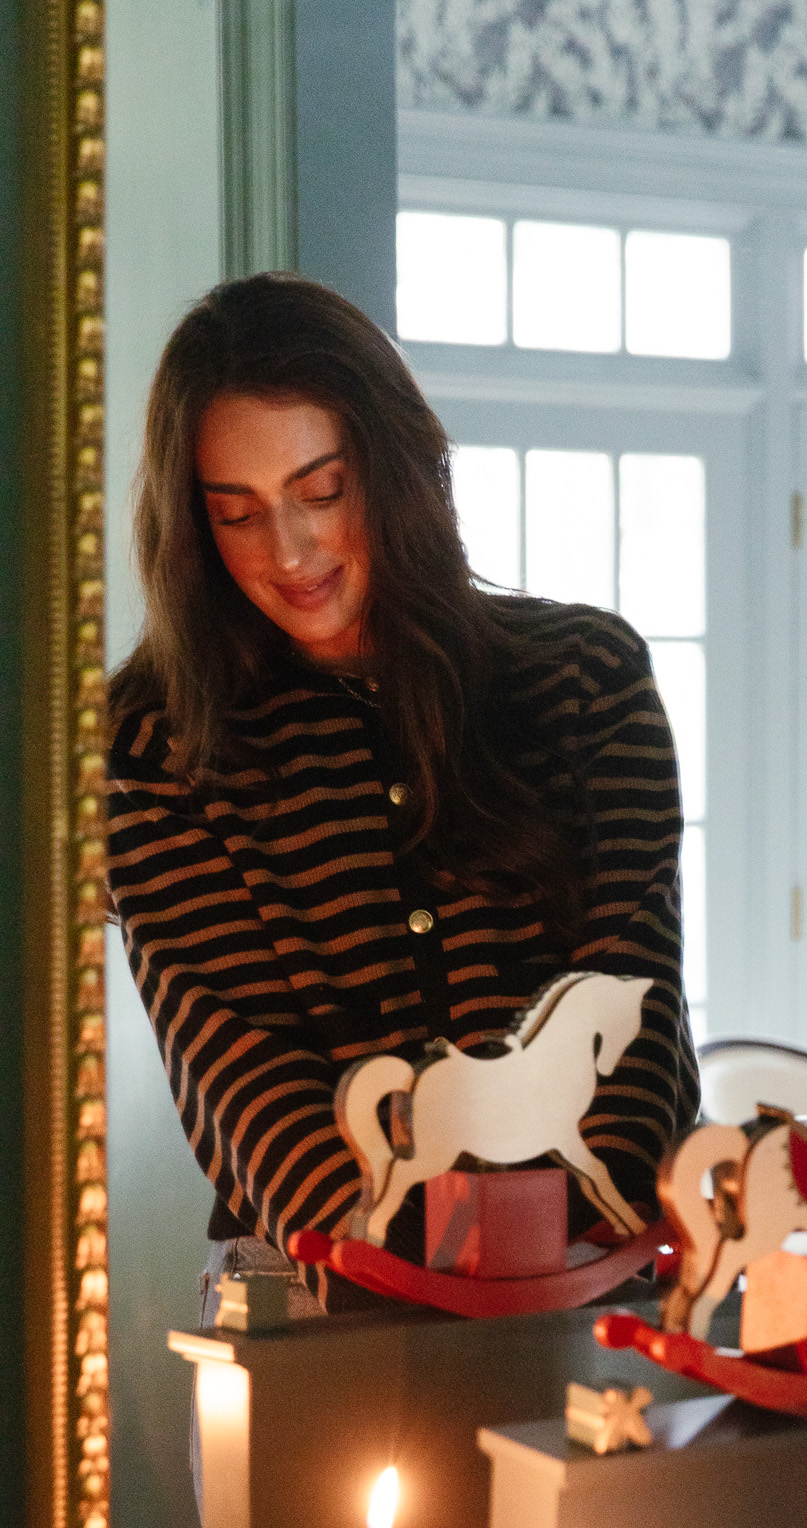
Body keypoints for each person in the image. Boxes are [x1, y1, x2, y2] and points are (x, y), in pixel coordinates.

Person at [106, 275, 699, 1318]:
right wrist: (402, 1259)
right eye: (237, 514)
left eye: (322, 491)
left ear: (397, 466)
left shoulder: (583, 679)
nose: (288, 552)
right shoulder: (155, 742)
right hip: (318, 1296)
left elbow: (631, 995)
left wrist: (562, 1257)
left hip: (590, 1277)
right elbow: (235, 1061)